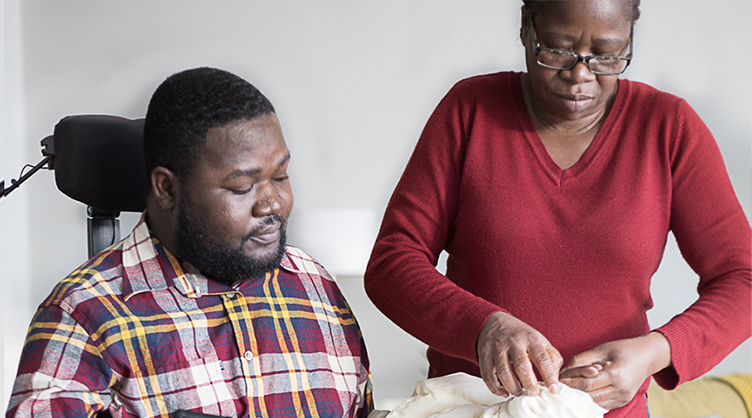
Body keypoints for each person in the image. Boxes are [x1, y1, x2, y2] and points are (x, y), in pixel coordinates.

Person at [364, 1, 751, 418]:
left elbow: (742, 279)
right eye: (558, 50)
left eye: (607, 55)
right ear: (527, 27)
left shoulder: (668, 127)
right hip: (473, 410)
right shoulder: (470, 110)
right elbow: (392, 264)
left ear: (630, 40)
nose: (580, 76)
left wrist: (657, 351)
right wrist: (482, 328)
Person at [7, 67, 373, 418]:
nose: (272, 203)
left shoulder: (315, 285)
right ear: (167, 189)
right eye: (242, 187)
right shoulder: (81, 315)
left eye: (281, 176)